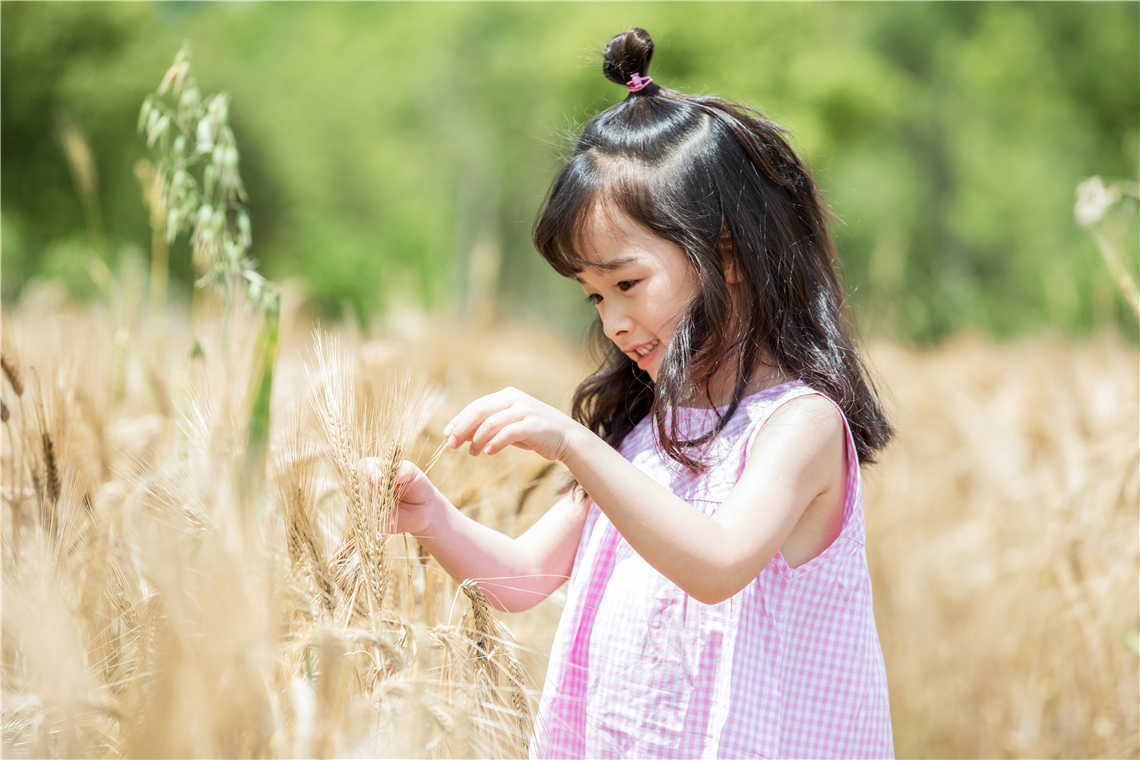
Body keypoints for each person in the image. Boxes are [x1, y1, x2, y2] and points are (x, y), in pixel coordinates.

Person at [362, 27, 894, 759]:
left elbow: (717, 564)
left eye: (627, 283)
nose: (612, 321)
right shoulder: (646, 433)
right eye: (594, 296)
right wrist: (433, 519)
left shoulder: (799, 426)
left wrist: (573, 444)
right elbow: (524, 577)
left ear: (728, 256)